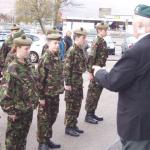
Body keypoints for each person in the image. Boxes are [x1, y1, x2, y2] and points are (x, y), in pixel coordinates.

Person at [93, 4, 150, 150]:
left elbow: (113, 81)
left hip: (138, 128)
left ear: (140, 26)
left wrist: (99, 72)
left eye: (133, 23)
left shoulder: (137, 51)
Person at [0, 35, 38, 150]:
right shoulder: (12, 68)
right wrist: (10, 111)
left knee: (22, 139)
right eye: (26, 49)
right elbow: (3, 93)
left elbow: (33, 83)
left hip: (28, 109)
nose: (29, 51)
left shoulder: (28, 65)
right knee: (12, 141)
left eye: (29, 48)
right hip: (17, 111)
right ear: (17, 48)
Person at [37, 32, 64, 150]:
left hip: (55, 94)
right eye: (55, 43)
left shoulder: (57, 57)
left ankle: (47, 139)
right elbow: (39, 80)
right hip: (46, 95)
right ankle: (42, 143)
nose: (57, 45)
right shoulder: (45, 58)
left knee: (52, 117)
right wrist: (41, 97)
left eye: (58, 43)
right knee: (44, 119)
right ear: (48, 44)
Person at [64, 27, 87, 137]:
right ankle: (69, 127)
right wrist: (67, 83)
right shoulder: (72, 50)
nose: (85, 40)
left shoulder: (80, 50)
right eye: (83, 38)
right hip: (72, 83)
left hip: (78, 82)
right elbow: (67, 68)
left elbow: (83, 65)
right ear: (77, 37)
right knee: (71, 106)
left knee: (77, 105)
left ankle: (73, 124)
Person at [85, 22, 108, 124]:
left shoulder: (102, 41)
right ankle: (88, 115)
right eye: (105, 30)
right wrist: (90, 72)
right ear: (99, 30)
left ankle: (92, 113)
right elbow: (91, 57)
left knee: (97, 93)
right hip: (95, 71)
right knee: (92, 93)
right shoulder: (96, 41)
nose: (106, 31)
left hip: (100, 70)